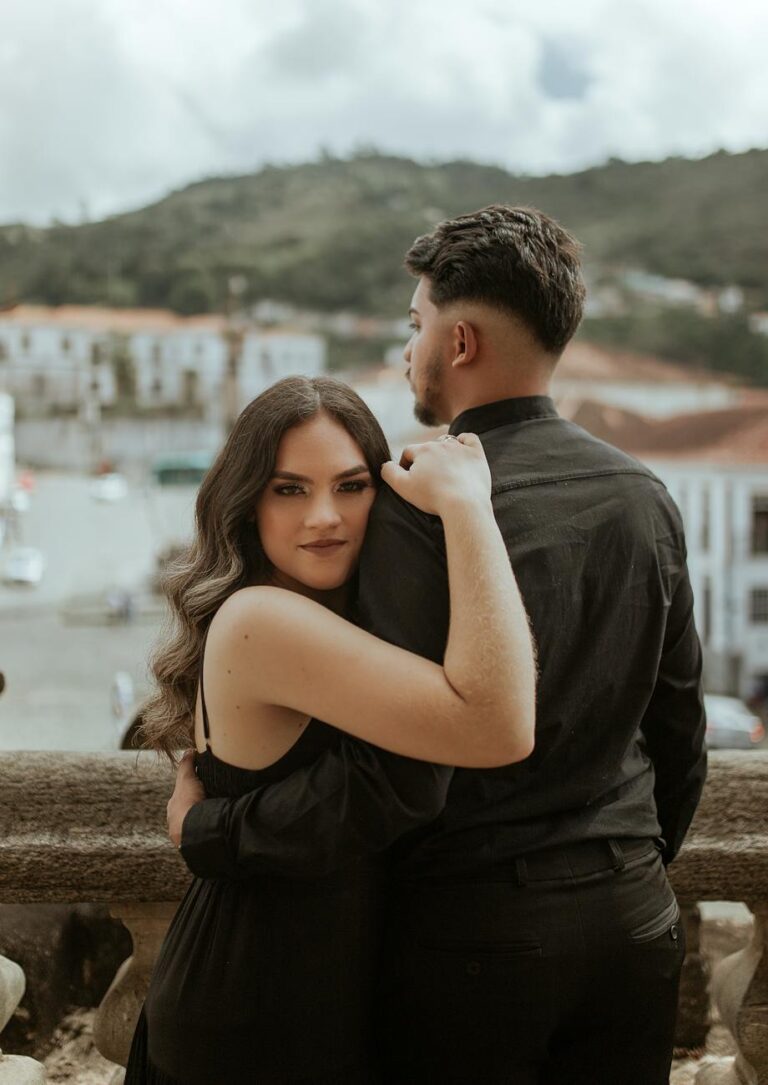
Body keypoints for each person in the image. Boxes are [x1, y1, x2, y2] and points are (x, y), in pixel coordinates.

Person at [170, 206, 707, 1084]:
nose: (409, 346)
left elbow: (387, 779)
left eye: (416, 325)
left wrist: (214, 829)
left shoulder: (414, 510)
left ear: (459, 342)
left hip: (473, 933)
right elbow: (680, 727)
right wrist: (634, 866)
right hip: (634, 918)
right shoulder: (644, 496)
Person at [126, 375, 536, 1084]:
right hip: (248, 1014)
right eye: (290, 489)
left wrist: (209, 830)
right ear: (247, 503)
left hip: (317, 1007)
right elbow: (494, 724)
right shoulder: (263, 620)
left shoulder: (341, 622)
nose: (326, 516)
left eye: (351, 486)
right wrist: (468, 507)